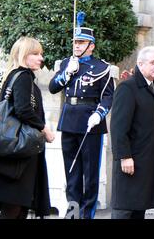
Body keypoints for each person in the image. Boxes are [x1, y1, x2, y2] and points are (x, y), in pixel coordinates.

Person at [49, 22, 114, 219]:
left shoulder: (102, 67)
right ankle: (73, 214)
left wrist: (99, 114)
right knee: (72, 173)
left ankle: (87, 215)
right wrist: (67, 73)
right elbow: (53, 88)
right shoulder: (66, 64)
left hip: (90, 124)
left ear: (91, 45)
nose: (77, 46)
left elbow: (108, 96)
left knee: (90, 175)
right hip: (69, 120)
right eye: (75, 42)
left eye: (81, 42)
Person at [0, 36, 55, 219]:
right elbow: (23, 110)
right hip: (20, 155)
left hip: (12, 151)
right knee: (14, 209)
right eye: (35, 53)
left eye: (41, 54)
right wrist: (44, 128)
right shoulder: (23, 77)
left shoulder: (13, 76)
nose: (41, 58)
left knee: (17, 208)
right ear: (23, 55)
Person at [110, 46, 154, 219]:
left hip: (146, 163)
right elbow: (118, 127)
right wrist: (124, 156)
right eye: (153, 62)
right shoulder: (128, 88)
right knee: (124, 209)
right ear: (140, 64)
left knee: (138, 210)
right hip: (130, 161)